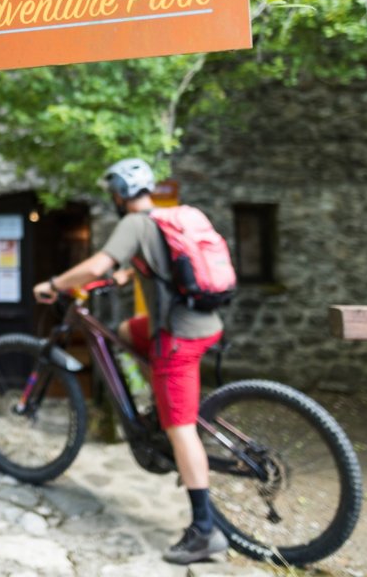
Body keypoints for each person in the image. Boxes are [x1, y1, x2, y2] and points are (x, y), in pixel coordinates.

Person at [32, 157, 227, 565]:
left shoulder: (135, 223)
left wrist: (54, 284)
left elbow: (97, 264)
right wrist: (121, 277)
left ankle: (204, 531)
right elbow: (151, 266)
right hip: (204, 323)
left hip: (178, 336)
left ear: (119, 194)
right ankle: (159, 402)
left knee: (182, 429)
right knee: (123, 332)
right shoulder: (167, 216)